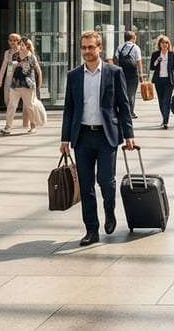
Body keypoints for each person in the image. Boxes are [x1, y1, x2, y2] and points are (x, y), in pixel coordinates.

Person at [60, 30, 135, 246]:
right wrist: (65, 139)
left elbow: (123, 105)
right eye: (84, 47)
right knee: (86, 185)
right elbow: (69, 109)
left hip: (106, 136)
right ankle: (91, 229)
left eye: (91, 47)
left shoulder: (114, 72)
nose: (87, 51)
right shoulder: (74, 75)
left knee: (106, 181)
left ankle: (109, 210)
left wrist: (129, 134)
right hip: (82, 137)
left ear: (100, 48)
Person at [0, 35, 41, 135]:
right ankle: (8, 127)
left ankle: (33, 126)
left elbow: (38, 71)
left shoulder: (32, 57)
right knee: (11, 106)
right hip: (15, 85)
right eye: (20, 45)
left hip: (28, 86)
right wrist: (11, 67)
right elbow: (9, 70)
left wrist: (39, 83)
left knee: (29, 106)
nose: (21, 47)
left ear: (27, 46)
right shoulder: (15, 55)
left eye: (23, 45)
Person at [150, 35, 174, 129]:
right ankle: (164, 118)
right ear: (159, 44)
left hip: (169, 80)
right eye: (163, 43)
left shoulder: (172, 54)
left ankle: (166, 121)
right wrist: (157, 61)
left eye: (166, 43)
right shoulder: (155, 54)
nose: (165, 45)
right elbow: (152, 67)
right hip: (158, 81)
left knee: (166, 100)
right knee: (160, 101)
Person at [115, 30, 142, 119]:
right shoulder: (136, 47)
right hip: (132, 74)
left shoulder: (120, 47)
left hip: (122, 72)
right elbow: (139, 62)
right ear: (133, 38)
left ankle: (123, 110)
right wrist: (140, 74)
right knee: (131, 93)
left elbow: (116, 58)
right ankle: (131, 112)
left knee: (123, 92)